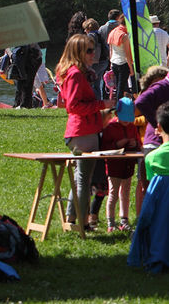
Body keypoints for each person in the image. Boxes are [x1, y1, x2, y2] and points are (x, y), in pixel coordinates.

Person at [58, 34, 116, 229]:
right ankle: (82, 222)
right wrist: (102, 104)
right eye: (89, 51)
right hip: (82, 132)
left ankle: (72, 218)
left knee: (80, 177)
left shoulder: (76, 73)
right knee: (84, 179)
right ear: (78, 52)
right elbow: (73, 106)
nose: (94, 54)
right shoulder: (75, 74)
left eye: (94, 50)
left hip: (83, 130)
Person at [101, 97, 141, 232]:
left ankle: (124, 219)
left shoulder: (132, 127)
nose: (126, 122)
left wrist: (135, 144)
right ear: (117, 114)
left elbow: (137, 142)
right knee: (113, 193)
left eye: (129, 119)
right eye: (124, 118)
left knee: (125, 192)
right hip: (114, 165)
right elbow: (104, 146)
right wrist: (118, 144)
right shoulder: (110, 127)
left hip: (128, 164)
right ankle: (110, 222)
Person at [106, 13, 135, 100]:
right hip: (123, 63)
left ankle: (118, 104)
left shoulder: (113, 32)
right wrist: (131, 68)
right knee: (121, 87)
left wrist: (111, 62)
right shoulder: (124, 36)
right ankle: (119, 106)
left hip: (114, 61)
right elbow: (127, 54)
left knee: (118, 85)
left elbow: (110, 50)